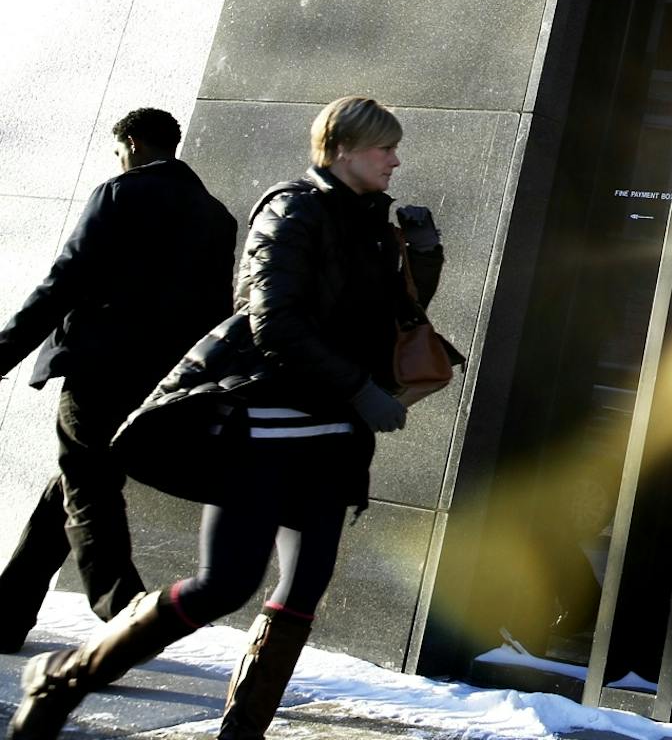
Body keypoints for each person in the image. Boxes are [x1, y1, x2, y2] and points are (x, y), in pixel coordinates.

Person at [8, 96, 449, 740]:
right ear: (342, 149)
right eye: (385, 148)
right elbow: (273, 321)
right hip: (266, 431)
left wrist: (423, 254)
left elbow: (389, 320)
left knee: (300, 597)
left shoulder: (374, 224)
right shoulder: (291, 209)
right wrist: (360, 389)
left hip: (332, 439)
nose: (396, 160)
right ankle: (66, 677)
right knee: (223, 585)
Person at [0, 108, 237, 651]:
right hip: (163, 382)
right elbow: (214, 312)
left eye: (118, 152)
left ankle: (131, 615)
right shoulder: (215, 215)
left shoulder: (119, 193)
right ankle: (6, 616)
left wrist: (4, 352)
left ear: (131, 142)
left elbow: (64, 280)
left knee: (88, 487)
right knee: (71, 486)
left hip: (100, 368)